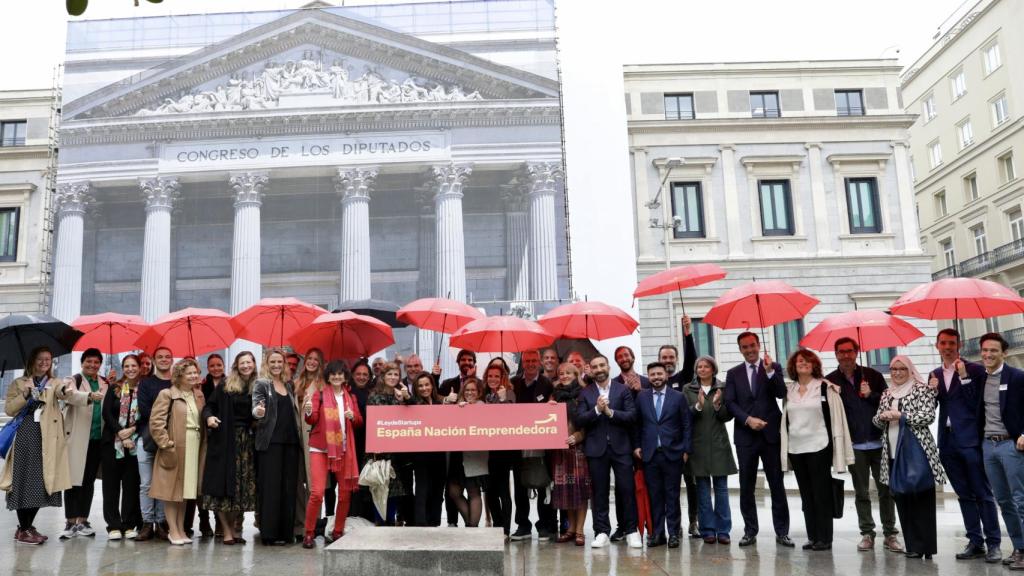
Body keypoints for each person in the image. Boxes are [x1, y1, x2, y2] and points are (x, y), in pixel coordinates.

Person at [927, 329, 1000, 562]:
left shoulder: (976, 370)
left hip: (970, 440)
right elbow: (934, 406)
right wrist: (932, 391)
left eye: (951, 343)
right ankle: (975, 542)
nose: (947, 347)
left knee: (982, 493)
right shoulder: (935, 373)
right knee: (963, 495)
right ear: (937, 345)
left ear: (958, 345)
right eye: (943, 343)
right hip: (947, 442)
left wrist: (964, 376)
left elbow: (975, 403)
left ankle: (994, 544)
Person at [824, 337, 902, 553]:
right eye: (842, 352)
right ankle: (867, 533)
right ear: (836, 354)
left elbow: (889, 402)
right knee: (861, 492)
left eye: (850, 351)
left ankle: (890, 534)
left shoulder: (873, 376)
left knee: (887, 490)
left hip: (879, 442)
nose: (846, 355)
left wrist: (871, 395)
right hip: (853, 446)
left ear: (856, 352)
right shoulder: (830, 381)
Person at [780, 350, 854, 551]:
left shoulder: (824, 387)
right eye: (799, 361)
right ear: (793, 366)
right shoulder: (790, 389)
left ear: (814, 364)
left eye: (807, 361)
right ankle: (812, 536)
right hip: (796, 447)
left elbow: (835, 419)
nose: (803, 363)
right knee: (806, 494)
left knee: (821, 493)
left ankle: (824, 538)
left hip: (819, 446)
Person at [724, 332, 792, 548]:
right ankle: (749, 531)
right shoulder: (733, 373)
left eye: (752, 345)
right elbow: (730, 403)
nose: (750, 350)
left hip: (771, 435)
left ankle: (782, 532)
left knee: (777, 485)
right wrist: (747, 420)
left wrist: (771, 371)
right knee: (746, 486)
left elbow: (781, 393)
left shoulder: (773, 366)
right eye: (745, 347)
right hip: (746, 437)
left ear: (759, 345)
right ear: (740, 349)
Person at [873, 355, 945, 560]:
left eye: (901, 369)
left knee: (922, 498)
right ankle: (913, 545)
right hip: (893, 453)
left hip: (918, 452)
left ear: (910, 370)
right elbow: (877, 420)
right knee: (903, 500)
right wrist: (883, 416)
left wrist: (901, 416)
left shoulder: (922, 389)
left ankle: (927, 546)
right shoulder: (887, 393)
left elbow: (928, 416)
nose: (897, 373)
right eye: (893, 369)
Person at [964, 333, 1024, 569]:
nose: (987, 354)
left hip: (1011, 444)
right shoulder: (980, 379)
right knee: (1003, 501)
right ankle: (1019, 548)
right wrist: (964, 377)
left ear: (1004, 353)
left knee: (1021, 500)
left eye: (993, 351)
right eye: (984, 350)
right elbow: (972, 406)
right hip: (988, 446)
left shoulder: (1017, 377)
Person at [2, 347, 72, 545]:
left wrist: (66, 390)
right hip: (25, 437)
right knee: (23, 482)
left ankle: (26, 527)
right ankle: (24, 529)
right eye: (40, 359)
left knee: (41, 483)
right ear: (32, 361)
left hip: (47, 438)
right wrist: (24, 394)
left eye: (48, 359)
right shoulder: (19, 383)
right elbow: (9, 409)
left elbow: (63, 393)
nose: (44, 362)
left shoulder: (54, 382)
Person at [576, 355, 640, 549]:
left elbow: (632, 416)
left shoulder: (623, 390)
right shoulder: (585, 393)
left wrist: (610, 413)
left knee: (627, 490)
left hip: (621, 448)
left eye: (602, 365)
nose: (599, 369)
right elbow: (579, 420)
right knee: (599, 493)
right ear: (591, 370)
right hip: (596, 450)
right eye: (594, 367)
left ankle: (631, 531)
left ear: (608, 367)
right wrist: (596, 409)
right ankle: (601, 531)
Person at [302, 361, 363, 548]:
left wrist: (353, 417)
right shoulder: (319, 395)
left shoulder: (350, 398)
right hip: (320, 448)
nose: (337, 377)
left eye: (340, 374)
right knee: (317, 493)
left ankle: (338, 531)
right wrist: (308, 411)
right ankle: (309, 533)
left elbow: (359, 422)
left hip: (343, 450)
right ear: (328, 377)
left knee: (345, 494)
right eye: (333, 374)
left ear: (345, 377)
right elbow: (311, 419)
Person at [200, 351, 257, 546]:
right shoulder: (227, 384)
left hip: (247, 444)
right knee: (222, 488)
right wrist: (209, 418)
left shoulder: (259, 385)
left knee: (240, 489)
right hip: (225, 440)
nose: (246, 366)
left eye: (249, 362)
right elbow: (208, 407)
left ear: (254, 364)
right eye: (242, 363)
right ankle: (226, 531)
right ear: (236, 365)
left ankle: (234, 529)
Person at [149, 358, 207, 546]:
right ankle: (173, 530)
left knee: (186, 492)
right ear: (179, 375)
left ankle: (181, 528)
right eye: (189, 373)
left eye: (195, 373)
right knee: (172, 491)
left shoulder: (198, 395)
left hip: (194, 445)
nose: (193, 376)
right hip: (175, 446)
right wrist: (166, 444)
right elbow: (156, 423)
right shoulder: (167, 394)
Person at [633, 361, 691, 548]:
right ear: (648, 377)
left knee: (672, 495)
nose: (656, 377)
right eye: (652, 375)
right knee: (655, 496)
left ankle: (674, 533)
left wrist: (686, 449)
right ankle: (658, 533)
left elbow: (686, 425)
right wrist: (636, 446)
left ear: (666, 376)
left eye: (659, 374)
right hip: (650, 455)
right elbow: (637, 424)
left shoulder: (678, 397)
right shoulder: (642, 397)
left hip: (673, 454)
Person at [252, 349, 303, 545]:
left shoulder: (289, 385)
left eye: (279, 362)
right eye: (272, 361)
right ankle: (269, 533)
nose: (276, 365)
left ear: (284, 364)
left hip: (290, 442)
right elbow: (256, 408)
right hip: (270, 442)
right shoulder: (262, 384)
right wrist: (258, 411)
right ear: (267, 363)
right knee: (270, 488)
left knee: (288, 488)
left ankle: (285, 532)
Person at [684, 355, 736, 545]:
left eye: (706, 367)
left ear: (713, 369)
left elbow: (727, 416)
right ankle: (707, 530)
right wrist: (698, 405)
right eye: (699, 367)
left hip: (718, 444)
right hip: (698, 445)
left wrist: (716, 405)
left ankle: (723, 530)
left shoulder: (722, 388)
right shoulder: (688, 389)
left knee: (721, 489)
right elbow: (685, 416)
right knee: (703, 489)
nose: (702, 370)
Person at [658, 317, 700, 539]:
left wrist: (688, 334)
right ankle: (673, 526)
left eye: (671, 357)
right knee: (669, 489)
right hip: (664, 446)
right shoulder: (652, 381)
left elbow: (692, 359)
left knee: (691, 485)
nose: (667, 361)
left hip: (685, 443)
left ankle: (694, 521)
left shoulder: (683, 378)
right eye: (664, 357)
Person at [61, 347, 109, 539]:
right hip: (77, 439)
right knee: (72, 481)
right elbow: (67, 395)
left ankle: (83, 520)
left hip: (98, 439)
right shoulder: (73, 380)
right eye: (89, 361)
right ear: (82, 363)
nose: (92, 365)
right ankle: (70, 521)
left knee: (88, 481)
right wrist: (88, 396)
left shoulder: (104, 383)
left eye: (96, 362)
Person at [509, 349, 556, 541]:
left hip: (541, 442)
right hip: (517, 441)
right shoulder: (513, 383)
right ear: (522, 362)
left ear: (539, 362)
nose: (530, 364)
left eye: (533, 360)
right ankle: (523, 525)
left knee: (543, 483)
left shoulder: (547, 384)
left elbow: (554, 406)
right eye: (526, 360)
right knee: (520, 486)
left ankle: (544, 525)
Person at [101, 354, 144, 541]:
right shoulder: (115, 388)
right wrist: (121, 432)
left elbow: (148, 416)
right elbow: (107, 413)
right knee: (110, 486)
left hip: (135, 444)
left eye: (133, 365)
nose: (130, 369)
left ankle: (128, 524)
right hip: (113, 443)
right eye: (126, 366)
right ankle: (113, 525)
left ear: (140, 367)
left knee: (131, 486)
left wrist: (132, 430)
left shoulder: (145, 389)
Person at [548, 363, 589, 546]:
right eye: (561, 373)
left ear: (576, 374)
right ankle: (570, 528)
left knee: (580, 491)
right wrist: (548, 407)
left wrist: (579, 436)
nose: (563, 376)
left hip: (579, 448)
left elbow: (589, 421)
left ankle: (580, 530)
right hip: (560, 450)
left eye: (568, 373)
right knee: (566, 491)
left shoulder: (584, 393)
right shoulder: (554, 394)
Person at [366, 362, 412, 525]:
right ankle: (381, 522)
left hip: (397, 452)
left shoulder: (400, 395)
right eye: (389, 374)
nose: (393, 378)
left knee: (394, 490)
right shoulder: (374, 396)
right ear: (382, 377)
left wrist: (404, 400)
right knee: (380, 489)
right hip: (380, 452)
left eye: (396, 375)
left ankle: (390, 523)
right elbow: (378, 421)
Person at [136, 346, 174, 541]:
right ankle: (146, 523)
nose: (164, 360)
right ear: (154, 360)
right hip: (148, 438)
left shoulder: (177, 383)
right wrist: (165, 420)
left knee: (164, 483)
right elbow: (145, 410)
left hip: (170, 439)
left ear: (172, 360)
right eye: (160, 357)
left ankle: (161, 522)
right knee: (146, 483)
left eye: (168, 357)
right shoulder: (146, 383)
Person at [408, 373, 448, 527]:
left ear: (432, 385)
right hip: (421, 454)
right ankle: (421, 522)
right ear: (416, 389)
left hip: (439, 452)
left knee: (438, 490)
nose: (424, 388)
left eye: (427, 384)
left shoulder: (440, 402)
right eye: (420, 386)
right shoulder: (414, 404)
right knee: (422, 488)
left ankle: (435, 522)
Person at [449, 377, 488, 528]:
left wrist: (470, 410)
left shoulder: (483, 406)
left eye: (473, 390)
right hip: (457, 456)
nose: (470, 393)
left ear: (479, 393)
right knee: (454, 492)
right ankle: (471, 524)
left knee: (473, 492)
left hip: (475, 456)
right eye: (467, 390)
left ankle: (472, 527)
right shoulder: (458, 406)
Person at [483, 363, 517, 538]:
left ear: (503, 378)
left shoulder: (509, 393)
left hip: (503, 450)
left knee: (503, 490)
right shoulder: (486, 395)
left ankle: (505, 529)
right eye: (490, 376)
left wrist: (504, 400)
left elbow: (511, 419)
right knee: (490, 490)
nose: (493, 379)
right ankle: (497, 523)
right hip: (488, 450)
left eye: (497, 376)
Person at [197, 354, 225, 538]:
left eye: (218, 365)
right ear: (207, 367)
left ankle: (220, 520)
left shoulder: (230, 383)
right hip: (205, 434)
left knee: (218, 478)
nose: (215, 368)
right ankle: (204, 518)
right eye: (212, 365)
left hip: (223, 433)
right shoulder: (202, 385)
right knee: (202, 479)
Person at [346, 359, 374, 522]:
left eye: (365, 374)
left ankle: (368, 518)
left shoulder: (373, 392)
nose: (362, 377)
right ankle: (352, 517)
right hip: (351, 443)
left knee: (368, 481)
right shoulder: (346, 392)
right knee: (352, 483)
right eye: (358, 374)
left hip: (369, 443)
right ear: (352, 375)